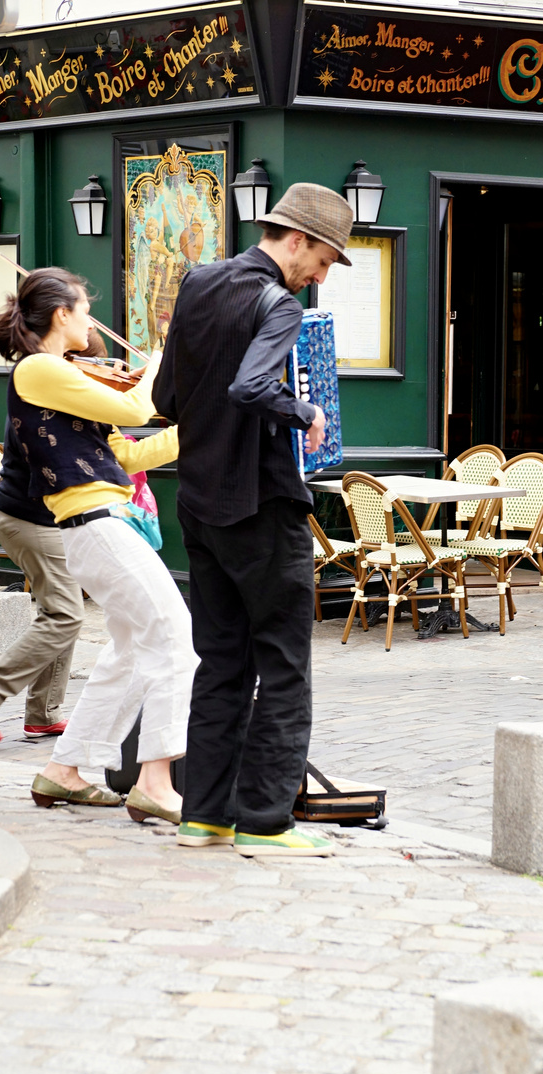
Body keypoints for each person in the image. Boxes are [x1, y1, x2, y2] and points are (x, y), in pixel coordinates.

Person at [153, 183, 353, 856]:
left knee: (220, 663)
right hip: (263, 509)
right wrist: (308, 413)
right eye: (322, 260)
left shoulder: (197, 283)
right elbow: (251, 388)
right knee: (285, 664)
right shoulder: (280, 306)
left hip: (200, 507)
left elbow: (165, 397)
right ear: (294, 238)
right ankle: (266, 821)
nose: (320, 277)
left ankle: (204, 815)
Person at [0, 266, 198, 823]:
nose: (89, 321)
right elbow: (134, 409)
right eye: (84, 309)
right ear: (62, 314)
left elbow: (125, 455)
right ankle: (156, 779)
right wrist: (159, 360)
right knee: (176, 635)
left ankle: (65, 770)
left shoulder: (65, 378)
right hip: (96, 525)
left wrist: (201, 428)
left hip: (104, 523)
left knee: (127, 654)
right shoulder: (38, 369)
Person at [0, 329, 109, 744]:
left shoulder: (69, 401)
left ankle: (43, 714)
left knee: (59, 613)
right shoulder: (46, 399)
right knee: (66, 614)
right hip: (28, 520)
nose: (97, 378)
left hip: (46, 520)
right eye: (90, 368)